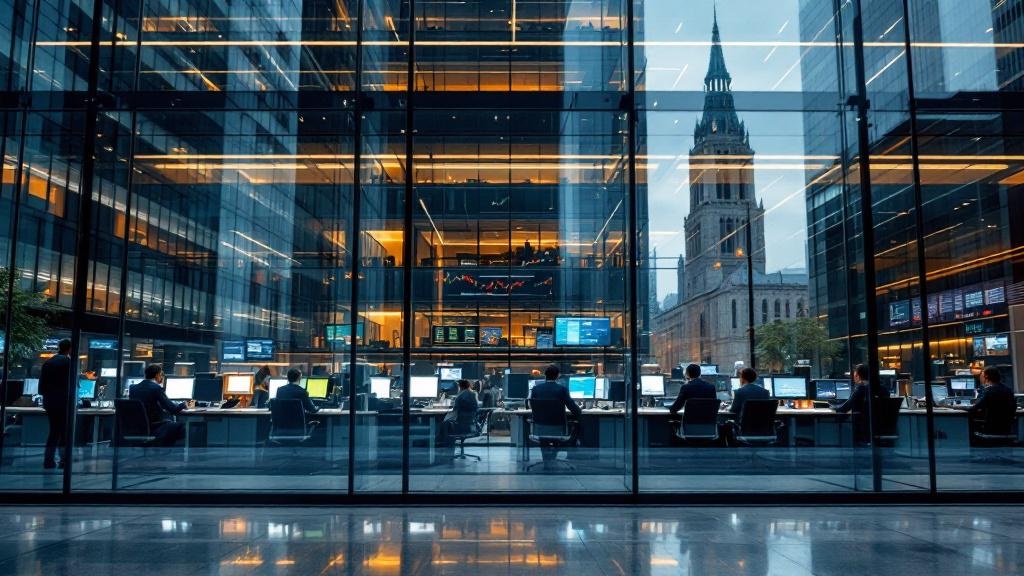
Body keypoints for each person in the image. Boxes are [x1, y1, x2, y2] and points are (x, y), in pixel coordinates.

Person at [528, 365, 581, 468]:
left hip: (539, 427)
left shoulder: (535, 389)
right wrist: (579, 412)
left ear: (545, 376)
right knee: (576, 426)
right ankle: (552, 458)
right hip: (558, 427)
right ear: (557, 376)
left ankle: (547, 461)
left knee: (544, 435)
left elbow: (532, 405)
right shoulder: (562, 389)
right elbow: (572, 407)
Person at [128, 364, 189, 446]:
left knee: (170, 422)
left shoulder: (133, 388)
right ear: (157, 375)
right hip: (154, 426)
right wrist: (184, 404)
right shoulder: (156, 388)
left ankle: (159, 448)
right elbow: (172, 409)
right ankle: (164, 449)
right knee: (182, 426)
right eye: (161, 375)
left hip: (136, 427)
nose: (161, 377)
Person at [39, 339, 73, 469]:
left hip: (50, 401)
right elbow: (72, 384)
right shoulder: (69, 363)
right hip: (64, 401)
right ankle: (64, 461)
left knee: (54, 431)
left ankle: (48, 460)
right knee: (64, 431)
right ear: (69, 349)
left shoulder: (48, 362)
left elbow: (41, 387)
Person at [835, 364, 890, 443]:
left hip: (865, 429)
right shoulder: (883, 389)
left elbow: (844, 408)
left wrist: (833, 407)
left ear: (857, 375)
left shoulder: (860, 389)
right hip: (882, 427)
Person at [964, 367, 1015, 442]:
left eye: (982, 375)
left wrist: (951, 407)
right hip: (1006, 428)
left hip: (991, 429)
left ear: (986, 377)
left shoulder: (989, 391)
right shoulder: (1008, 390)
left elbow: (973, 409)